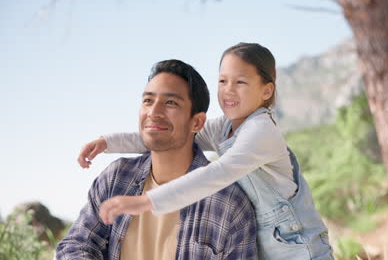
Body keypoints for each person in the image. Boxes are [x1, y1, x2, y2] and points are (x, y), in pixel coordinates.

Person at [79, 43, 334, 259]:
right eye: (223, 81)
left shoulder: (261, 131)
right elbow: (173, 133)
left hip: (299, 249)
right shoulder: (225, 128)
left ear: (266, 91)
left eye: (241, 82)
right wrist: (109, 142)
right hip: (267, 247)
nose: (228, 90)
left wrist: (147, 201)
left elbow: (216, 174)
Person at [56, 59, 257, 260]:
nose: (153, 112)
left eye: (170, 103)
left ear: (197, 122)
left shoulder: (230, 204)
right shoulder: (116, 178)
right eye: (148, 101)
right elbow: (76, 245)